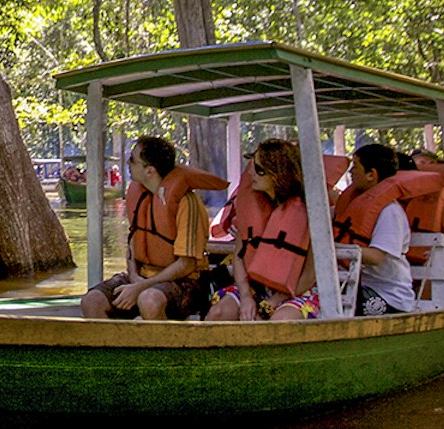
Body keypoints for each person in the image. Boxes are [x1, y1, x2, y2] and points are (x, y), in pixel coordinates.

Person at [80, 136, 224, 321]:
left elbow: (186, 264)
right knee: (92, 301)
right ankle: (116, 348)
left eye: (132, 159)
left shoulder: (187, 203)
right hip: (142, 277)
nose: (128, 163)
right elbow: (132, 249)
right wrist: (134, 278)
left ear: (150, 171)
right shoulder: (138, 197)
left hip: (187, 282)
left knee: (149, 300)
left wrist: (142, 287)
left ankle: (165, 348)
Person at [207, 139, 321, 322]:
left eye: (259, 170)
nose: (251, 173)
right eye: (252, 165)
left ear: (278, 174)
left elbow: (310, 273)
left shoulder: (308, 211)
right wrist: (245, 297)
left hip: (297, 291)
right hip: (254, 288)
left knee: (278, 323)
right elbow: (239, 256)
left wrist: (276, 301)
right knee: (219, 313)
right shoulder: (254, 207)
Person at [331, 145, 415, 316]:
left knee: (330, 305)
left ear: (371, 174)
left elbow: (376, 257)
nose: (351, 172)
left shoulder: (390, 212)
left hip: (389, 296)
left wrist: (332, 248)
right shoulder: (353, 205)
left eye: (355, 166)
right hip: (359, 286)